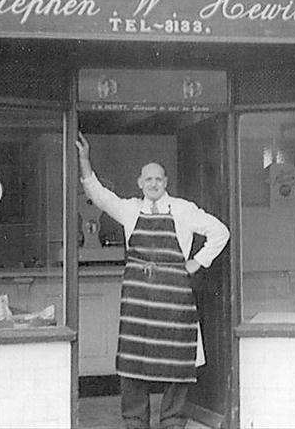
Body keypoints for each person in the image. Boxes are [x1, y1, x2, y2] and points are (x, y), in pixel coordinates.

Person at [75, 132, 230, 429]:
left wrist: (198, 261)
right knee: (134, 364)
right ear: (140, 183)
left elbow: (220, 232)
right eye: (148, 179)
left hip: (174, 298)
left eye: (158, 179)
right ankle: (135, 423)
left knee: (178, 362)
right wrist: (84, 160)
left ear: (166, 182)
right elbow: (97, 193)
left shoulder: (183, 209)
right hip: (138, 299)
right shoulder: (130, 209)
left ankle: (172, 422)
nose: (154, 184)